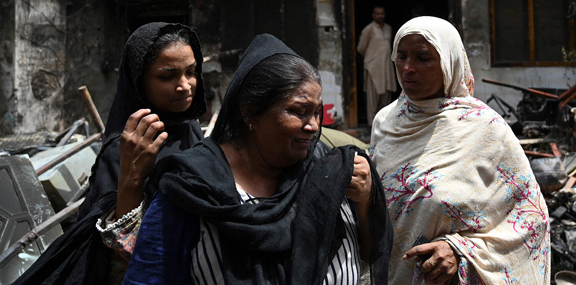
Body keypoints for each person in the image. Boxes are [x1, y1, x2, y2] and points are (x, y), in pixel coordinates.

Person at [123, 33, 392, 285]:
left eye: (317, 112)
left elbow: (370, 251)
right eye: (299, 111)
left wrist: (367, 200)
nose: (312, 126)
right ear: (250, 113)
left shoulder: (330, 170)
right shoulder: (192, 188)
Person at [14, 22, 207, 285]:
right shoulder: (126, 148)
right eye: (166, 76)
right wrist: (133, 176)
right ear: (140, 81)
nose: (184, 85)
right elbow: (115, 250)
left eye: (191, 72)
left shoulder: (191, 130)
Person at [370, 16, 550, 285]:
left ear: (449, 61)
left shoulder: (485, 128)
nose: (408, 68)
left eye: (423, 58)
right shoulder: (385, 122)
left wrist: (459, 250)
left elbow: (529, 218)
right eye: (402, 56)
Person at [357, 6, 397, 125]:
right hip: (373, 67)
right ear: (373, 15)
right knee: (372, 100)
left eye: (382, 14)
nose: (380, 16)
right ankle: (372, 125)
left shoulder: (388, 28)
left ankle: (384, 125)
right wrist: (372, 58)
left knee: (386, 99)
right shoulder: (368, 29)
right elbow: (361, 48)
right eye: (378, 14)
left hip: (386, 67)